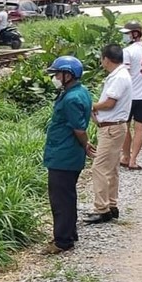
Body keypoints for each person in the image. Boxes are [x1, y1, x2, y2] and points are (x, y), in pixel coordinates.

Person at [43, 57, 94, 254]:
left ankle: (62, 241)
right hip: (67, 153)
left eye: (57, 74)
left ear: (68, 75)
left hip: (64, 156)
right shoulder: (78, 92)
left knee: (60, 199)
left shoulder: (72, 98)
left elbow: (79, 129)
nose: (55, 77)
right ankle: (70, 232)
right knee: (68, 196)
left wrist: (86, 144)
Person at [85, 44, 132, 224]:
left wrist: (92, 106)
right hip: (115, 127)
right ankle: (111, 205)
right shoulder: (121, 74)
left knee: (99, 167)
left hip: (111, 128)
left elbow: (109, 103)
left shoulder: (118, 77)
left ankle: (102, 209)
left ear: (106, 59)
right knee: (111, 168)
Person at [120, 20, 142, 170]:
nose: (125, 36)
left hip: (130, 96)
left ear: (134, 33)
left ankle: (125, 156)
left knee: (125, 127)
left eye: (127, 34)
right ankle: (133, 160)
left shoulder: (127, 51)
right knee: (140, 129)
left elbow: (124, 74)